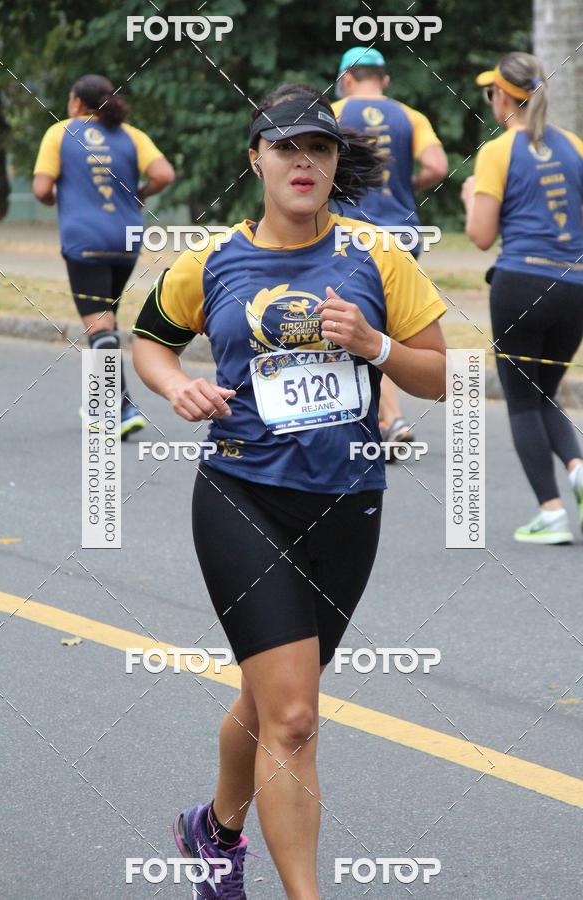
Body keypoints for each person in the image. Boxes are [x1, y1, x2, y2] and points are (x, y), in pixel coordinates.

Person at [132, 83, 447, 899]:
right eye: (285, 147)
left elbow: (445, 377)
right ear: (256, 159)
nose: (302, 162)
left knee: (273, 696)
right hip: (242, 493)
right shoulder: (212, 260)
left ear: (336, 161)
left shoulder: (378, 257)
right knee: (297, 719)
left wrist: (375, 343)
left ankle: (215, 831)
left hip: (347, 501)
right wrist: (176, 388)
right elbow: (151, 342)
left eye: (319, 148)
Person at [462, 52, 583, 544]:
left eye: (492, 91)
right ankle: (577, 468)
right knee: (544, 392)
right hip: (575, 287)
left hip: (521, 284)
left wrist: (471, 197)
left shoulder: (498, 152)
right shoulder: (575, 145)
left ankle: (551, 512)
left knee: (520, 400)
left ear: (504, 98)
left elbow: (481, 236)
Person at [32, 74, 175, 437]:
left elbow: (41, 188)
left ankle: (117, 410)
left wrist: (54, 199)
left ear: (77, 102)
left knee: (100, 324)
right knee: (105, 320)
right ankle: (111, 403)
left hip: (85, 240)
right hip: (126, 239)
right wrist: (139, 193)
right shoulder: (132, 134)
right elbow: (164, 173)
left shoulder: (60, 132)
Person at [332, 47, 449, 450]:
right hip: (402, 236)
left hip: (350, 235)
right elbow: (437, 167)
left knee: (361, 331)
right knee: (384, 331)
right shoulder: (411, 116)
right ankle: (389, 418)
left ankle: (385, 419)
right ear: (383, 78)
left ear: (346, 79)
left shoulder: (331, 113)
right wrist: (404, 188)